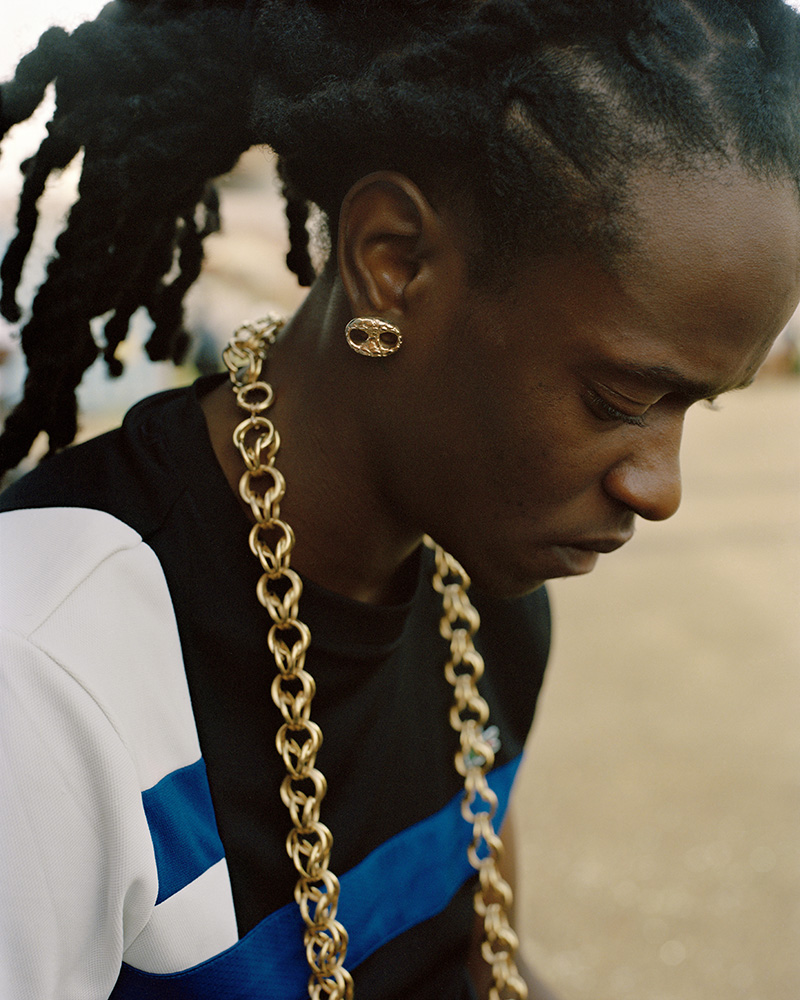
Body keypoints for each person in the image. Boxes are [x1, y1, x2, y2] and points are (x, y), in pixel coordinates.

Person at [1, 2, 799, 998]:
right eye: (618, 400)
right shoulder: (46, 674)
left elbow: (480, 961)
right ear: (393, 261)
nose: (661, 487)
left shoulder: (488, 608)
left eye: (698, 405)